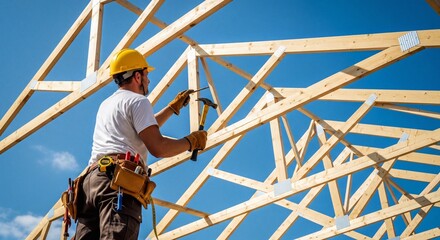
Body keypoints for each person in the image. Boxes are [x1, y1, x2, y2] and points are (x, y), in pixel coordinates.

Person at [74, 48, 207, 239]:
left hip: (91, 185)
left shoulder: (107, 104)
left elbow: (139, 131)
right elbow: (158, 147)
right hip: (117, 183)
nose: (149, 80)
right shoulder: (138, 101)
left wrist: (171, 109)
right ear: (137, 76)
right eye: (146, 74)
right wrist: (191, 142)